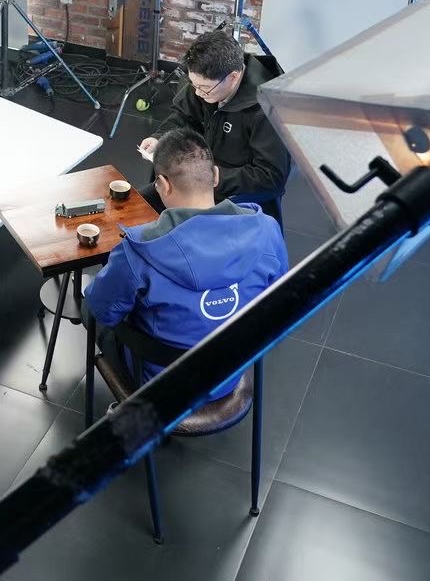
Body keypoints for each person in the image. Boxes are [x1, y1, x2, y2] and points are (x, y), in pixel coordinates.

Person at [86, 128, 288, 400]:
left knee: (93, 310)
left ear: (162, 184)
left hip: (162, 385)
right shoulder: (267, 230)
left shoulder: (139, 249)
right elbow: (278, 305)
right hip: (228, 375)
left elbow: (102, 310)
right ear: (215, 175)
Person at [137, 28, 291, 220]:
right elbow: (183, 117)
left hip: (234, 193)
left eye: (205, 88)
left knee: (176, 225)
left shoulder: (268, 109)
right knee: (140, 205)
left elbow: (271, 176)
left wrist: (216, 176)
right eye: (193, 84)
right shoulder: (205, 80)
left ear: (233, 76)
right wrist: (160, 137)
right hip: (198, 175)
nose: (198, 93)